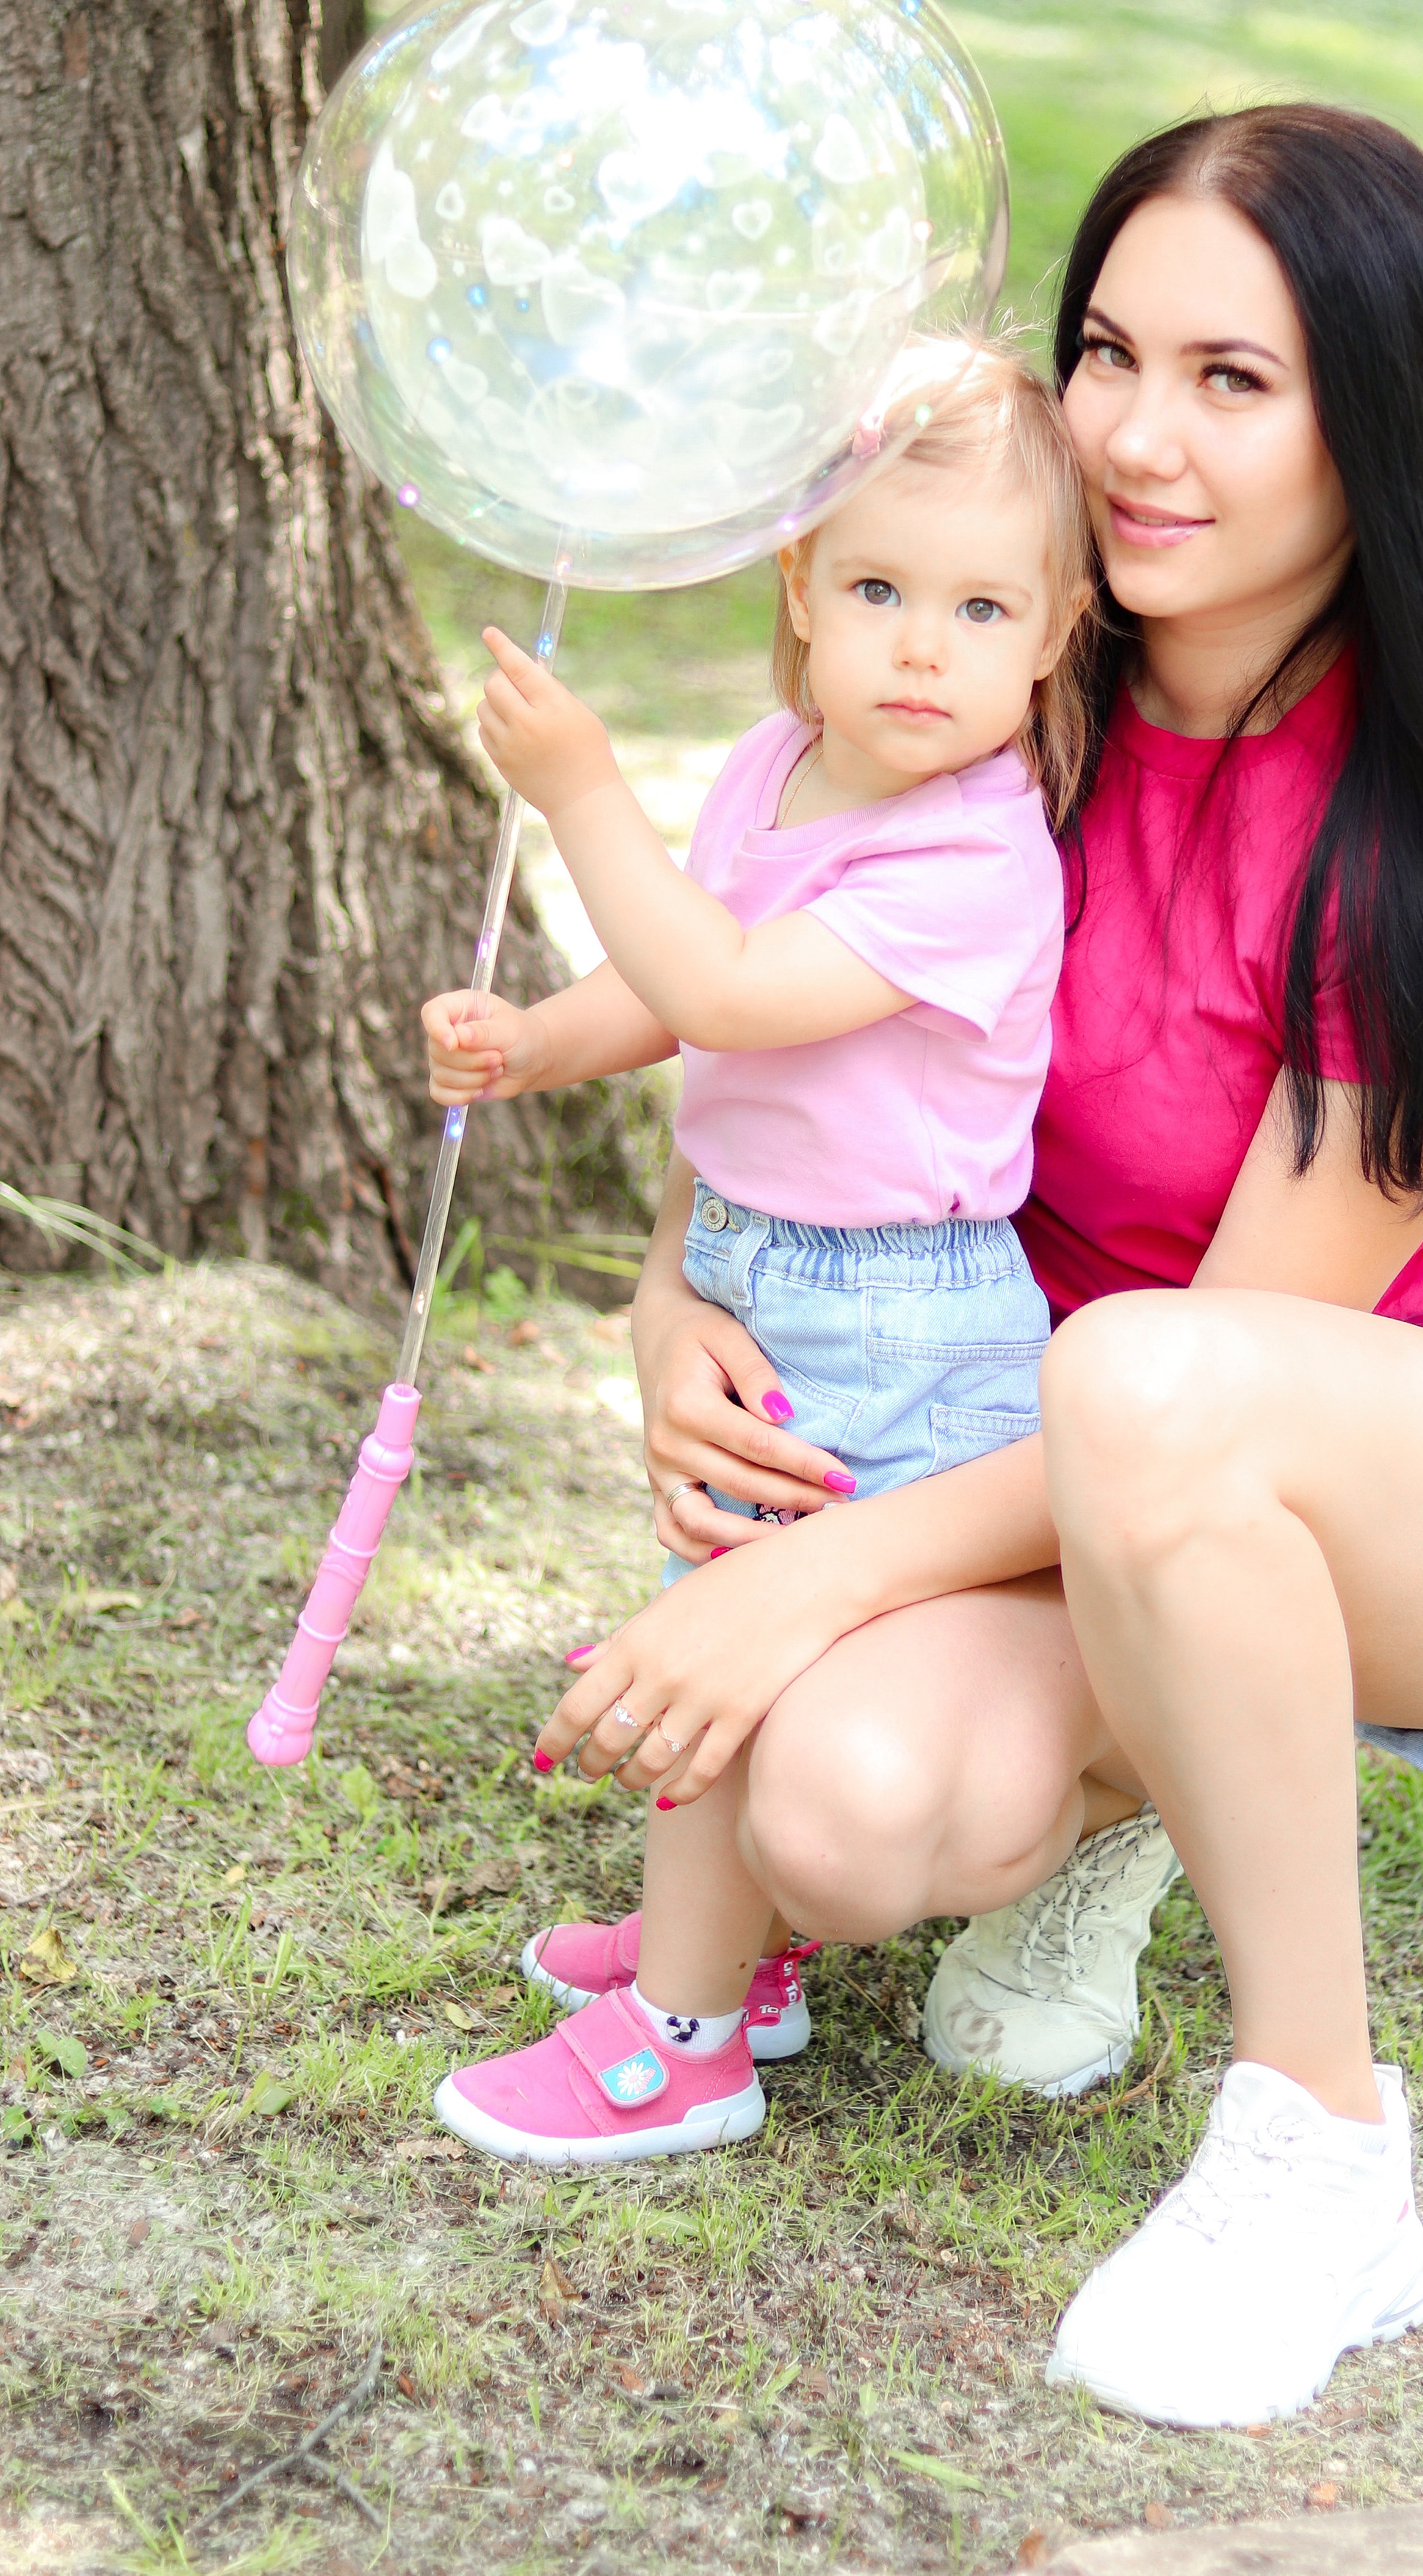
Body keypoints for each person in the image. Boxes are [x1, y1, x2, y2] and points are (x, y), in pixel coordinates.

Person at [523, 104, 1423, 2428]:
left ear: (1378, 419)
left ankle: (1321, 2150)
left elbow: (1218, 1365)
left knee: (1148, 1395)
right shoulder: (980, 709)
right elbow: (787, 1049)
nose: (1138, 439)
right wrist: (673, 1299)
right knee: (840, 1821)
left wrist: (797, 1584)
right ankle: (1157, 1775)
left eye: (1234, 381)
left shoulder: (1422, 846)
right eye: (1106, 353)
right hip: (1070, 1437)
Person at [421, 341, 1097, 2165]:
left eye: (978, 608)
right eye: (875, 589)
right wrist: (541, 1044)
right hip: (763, 1274)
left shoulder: (976, 858)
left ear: (1052, 636)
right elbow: (679, 986)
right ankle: (737, 1953)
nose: (919, 648)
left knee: (727, 1639)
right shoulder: (777, 766)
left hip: (899, 1323)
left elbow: (732, 984)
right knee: (717, 1614)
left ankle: (681, 2042)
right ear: (799, 588)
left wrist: (577, 794)